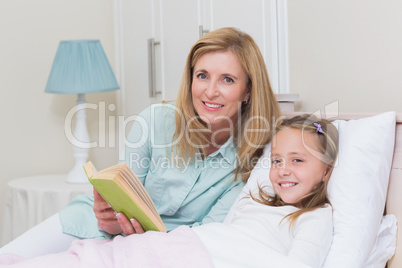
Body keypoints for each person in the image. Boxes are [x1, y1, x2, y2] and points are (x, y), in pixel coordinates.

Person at [0, 27, 281, 257]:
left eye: (227, 80)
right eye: (202, 76)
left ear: (248, 91)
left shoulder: (256, 157)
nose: (210, 91)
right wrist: (105, 215)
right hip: (92, 225)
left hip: (161, 249)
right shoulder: (154, 121)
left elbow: (209, 232)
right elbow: (122, 190)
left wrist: (149, 238)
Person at [0, 115, 339, 268]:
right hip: (173, 245)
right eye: (277, 160)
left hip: (192, 252)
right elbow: (220, 233)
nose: (282, 170)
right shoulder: (254, 198)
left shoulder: (314, 217)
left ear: (326, 170)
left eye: (298, 160)